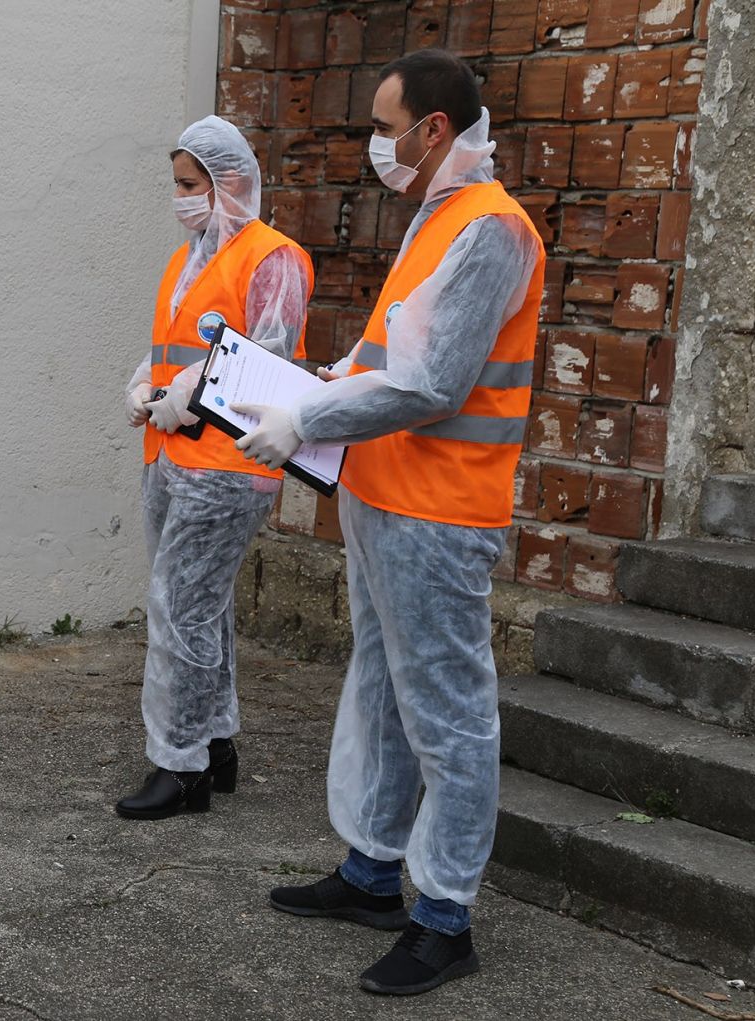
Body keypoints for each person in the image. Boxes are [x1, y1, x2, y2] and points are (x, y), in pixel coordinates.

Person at [232, 49, 545, 995]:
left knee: (448, 715)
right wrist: (314, 384)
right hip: (384, 494)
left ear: (434, 129)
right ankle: (373, 872)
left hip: (442, 510)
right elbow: (383, 350)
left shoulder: (491, 229)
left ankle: (444, 915)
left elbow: (434, 383)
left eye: (382, 124)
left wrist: (310, 416)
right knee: (381, 692)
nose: (375, 143)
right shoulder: (440, 214)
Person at [115, 116, 314, 821]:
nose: (180, 198)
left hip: (228, 466)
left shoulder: (275, 258)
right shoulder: (187, 258)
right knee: (202, 607)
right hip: (169, 456)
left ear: (231, 182)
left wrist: (188, 396)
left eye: (190, 184)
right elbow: (167, 344)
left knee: (179, 607)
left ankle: (180, 767)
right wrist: (145, 385)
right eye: (176, 184)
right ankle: (216, 746)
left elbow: (271, 357)